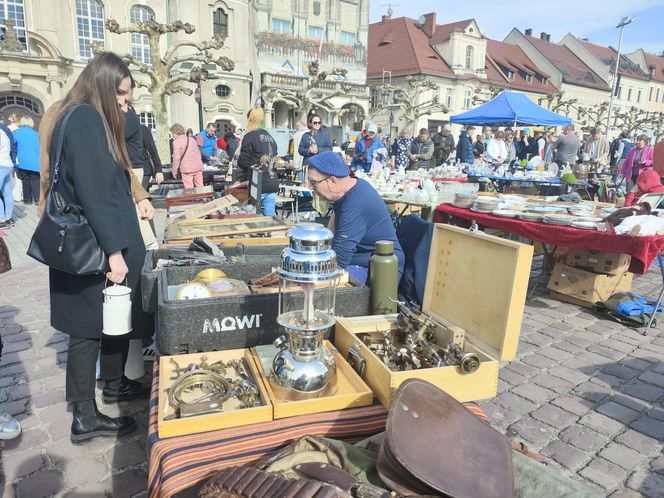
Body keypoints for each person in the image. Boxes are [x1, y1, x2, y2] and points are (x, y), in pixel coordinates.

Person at [46, 52, 152, 443]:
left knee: (107, 319)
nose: (125, 105)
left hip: (95, 240)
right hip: (94, 244)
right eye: (122, 96)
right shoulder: (87, 120)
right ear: (105, 87)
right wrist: (114, 251)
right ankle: (85, 416)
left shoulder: (78, 116)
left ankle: (113, 382)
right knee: (88, 329)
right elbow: (94, 192)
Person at [307, 151, 404, 284]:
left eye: (314, 183)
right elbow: (330, 236)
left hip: (378, 270)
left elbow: (339, 260)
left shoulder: (354, 204)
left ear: (333, 181)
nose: (311, 187)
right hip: (361, 261)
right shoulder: (348, 189)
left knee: (319, 283)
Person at [238, 107, 279, 214]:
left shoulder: (249, 136)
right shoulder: (269, 136)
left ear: (249, 119)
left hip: (257, 183)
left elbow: (243, 161)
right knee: (270, 217)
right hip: (272, 181)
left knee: (252, 219)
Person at [12, 116, 40, 205]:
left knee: (25, 180)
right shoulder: (37, 134)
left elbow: (12, 147)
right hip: (35, 161)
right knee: (35, 180)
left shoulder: (15, 133)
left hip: (22, 161)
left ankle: (27, 200)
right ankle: (37, 199)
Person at [171, 123, 204, 188]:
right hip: (198, 167)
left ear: (175, 132)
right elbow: (198, 153)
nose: (172, 136)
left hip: (187, 169)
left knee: (189, 190)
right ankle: (202, 198)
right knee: (200, 188)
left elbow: (176, 158)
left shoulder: (176, 142)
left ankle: (192, 198)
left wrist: (174, 171)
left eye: (172, 133)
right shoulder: (191, 139)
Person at [0, 115, 16, 228]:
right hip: (7, 163)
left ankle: (2, 219)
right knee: (7, 192)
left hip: (1, 164)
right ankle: (9, 218)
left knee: (6, 193)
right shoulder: (3, 130)